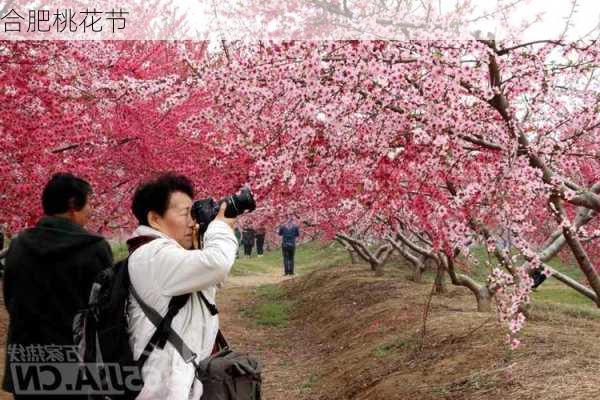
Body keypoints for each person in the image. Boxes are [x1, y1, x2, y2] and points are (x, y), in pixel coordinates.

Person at [2, 173, 113, 398]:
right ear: (73, 204)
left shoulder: (19, 244)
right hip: (73, 365)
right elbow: (103, 312)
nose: (91, 210)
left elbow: (11, 298)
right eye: (89, 202)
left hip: (26, 361)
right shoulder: (94, 248)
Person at [127, 173, 237, 399]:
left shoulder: (167, 254)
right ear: (155, 219)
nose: (192, 221)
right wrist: (219, 228)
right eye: (185, 213)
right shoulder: (152, 255)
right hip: (163, 390)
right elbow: (218, 265)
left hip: (177, 383)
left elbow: (213, 280)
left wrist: (200, 244)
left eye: (193, 212)